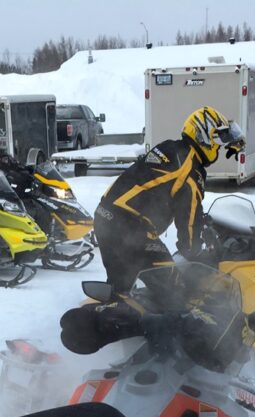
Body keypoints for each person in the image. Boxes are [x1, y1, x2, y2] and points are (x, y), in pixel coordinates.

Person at [93, 107, 246, 294]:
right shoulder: (191, 169)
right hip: (129, 227)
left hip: (105, 217)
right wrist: (198, 253)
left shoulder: (172, 148)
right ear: (202, 136)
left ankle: (115, 315)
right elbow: (188, 221)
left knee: (122, 285)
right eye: (216, 140)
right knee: (174, 290)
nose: (218, 147)